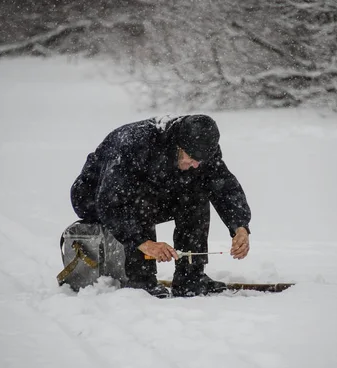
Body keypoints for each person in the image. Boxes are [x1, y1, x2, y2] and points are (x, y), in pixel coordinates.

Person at [70, 115, 251, 298]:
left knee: (197, 194)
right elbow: (111, 203)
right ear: (178, 146)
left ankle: (190, 277)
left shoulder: (202, 149)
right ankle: (141, 280)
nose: (196, 165)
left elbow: (223, 184)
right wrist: (143, 243)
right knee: (142, 199)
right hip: (93, 197)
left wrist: (240, 226)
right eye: (191, 158)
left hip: (149, 191)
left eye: (200, 161)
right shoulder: (136, 144)